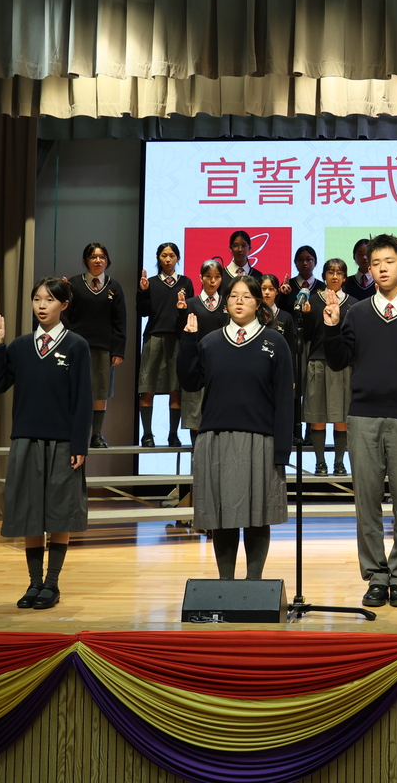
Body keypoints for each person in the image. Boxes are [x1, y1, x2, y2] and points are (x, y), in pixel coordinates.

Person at [324, 234, 397, 608]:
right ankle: (376, 577)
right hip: (363, 418)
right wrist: (331, 326)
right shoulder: (357, 313)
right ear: (369, 268)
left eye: (389, 261)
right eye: (375, 263)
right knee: (367, 504)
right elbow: (338, 361)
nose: (382, 268)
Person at [0, 277, 93, 610]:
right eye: (37, 299)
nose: (42, 305)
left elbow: (83, 399)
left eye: (49, 299)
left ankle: (52, 583)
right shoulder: (19, 347)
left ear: (64, 305)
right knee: (30, 512)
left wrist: (79, 445)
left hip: (63, 443)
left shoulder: (77, 345)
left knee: (60, 513)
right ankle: (34, 583)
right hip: (26, 440)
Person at [177, 275, 293, 580]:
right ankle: (225, 584)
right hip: (216, 438)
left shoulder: (275, 342)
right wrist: (188, 341)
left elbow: (284, 398)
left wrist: (282, 449)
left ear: (258, 303)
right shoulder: (209, 342)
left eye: (246, 296)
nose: (239, 301)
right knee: (222, 515)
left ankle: (254, 584)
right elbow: (190, 382)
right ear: (225, 304)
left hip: (261, 441)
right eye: (233, 296)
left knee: (258, 516)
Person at [63, 242, 126, 448]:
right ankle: (74, 432)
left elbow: (120, 321)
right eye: (93, 257)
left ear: (107, 260)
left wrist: (118, 350)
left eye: (102, 257)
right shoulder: (73, 284)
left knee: (100, 391)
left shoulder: (114, 286)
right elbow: (65, 316)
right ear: (85, 261)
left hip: (104, 348)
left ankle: (96, 435)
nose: (98, 260)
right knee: (76, 390)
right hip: (77, 346)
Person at [135, 242, 193, 448]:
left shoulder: (186, 282)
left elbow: (190, 312)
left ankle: (173, 435)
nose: (168, 259)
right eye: (163, 256)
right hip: (154, 338)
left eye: (172, 256)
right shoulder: (150, 282)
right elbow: (142, 312)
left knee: (175, 389)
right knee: (147, 387)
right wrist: (143, 292)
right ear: (158, 258)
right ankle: (147, 435)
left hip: (177, 340)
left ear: (178, 258)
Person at [302, 258, 355, 474]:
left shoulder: (353, 303)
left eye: (339, 272)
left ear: (345, 277)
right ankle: (320, 462)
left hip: (343, 366)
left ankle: (339, 462)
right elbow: (307, 336)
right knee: (318, 416)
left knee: (341, 417)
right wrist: (305, 316)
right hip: (317, 362)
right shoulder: (313, 301)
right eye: (330, 272)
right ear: (323, 276)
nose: (335, 276)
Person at [179, 260, 230, 436]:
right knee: (195, 412)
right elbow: (181, 334)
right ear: (201, 278)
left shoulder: (227, 304)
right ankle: (196, 451)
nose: (212, 281)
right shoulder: (190, 303)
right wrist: (181, 313)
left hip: (222, 363)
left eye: (217, 277)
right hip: (197, 362)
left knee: (219, 410)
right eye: (208, 276)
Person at [277, 245, 323, 315]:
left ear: (315, 263)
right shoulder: (288, 285)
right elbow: (280, 310)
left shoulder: (322, 286)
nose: (305, 263)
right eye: (301, 260)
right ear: (295, 263)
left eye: (308, 259)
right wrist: (283, 295)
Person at [220, 230, 254, 295]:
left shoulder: (257, 276)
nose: (240, 249)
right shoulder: (220, 275)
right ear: (230, 248)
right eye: (236, 245)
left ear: (249, 248)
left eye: (243, 246)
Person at [342, 237, 376, 302]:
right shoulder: (346, 282)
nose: (364, 257)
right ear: (354, 256)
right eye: (360, 254)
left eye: (367, 254)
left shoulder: (379, 282)